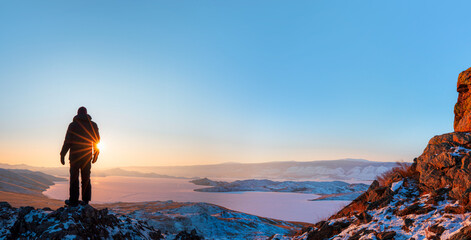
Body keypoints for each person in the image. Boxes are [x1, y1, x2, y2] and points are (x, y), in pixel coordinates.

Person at [60, 106, 100, 206]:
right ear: (86, 113)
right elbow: (97, 141)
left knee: (74, 178)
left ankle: (73, 201)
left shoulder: (73, 125)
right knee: (86, 178)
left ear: (77, 114)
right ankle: (86, 201)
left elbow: (67, 141)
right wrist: (96, 153)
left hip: (74, 156)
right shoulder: (93, 125)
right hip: (87, 156)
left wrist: (62, 154)